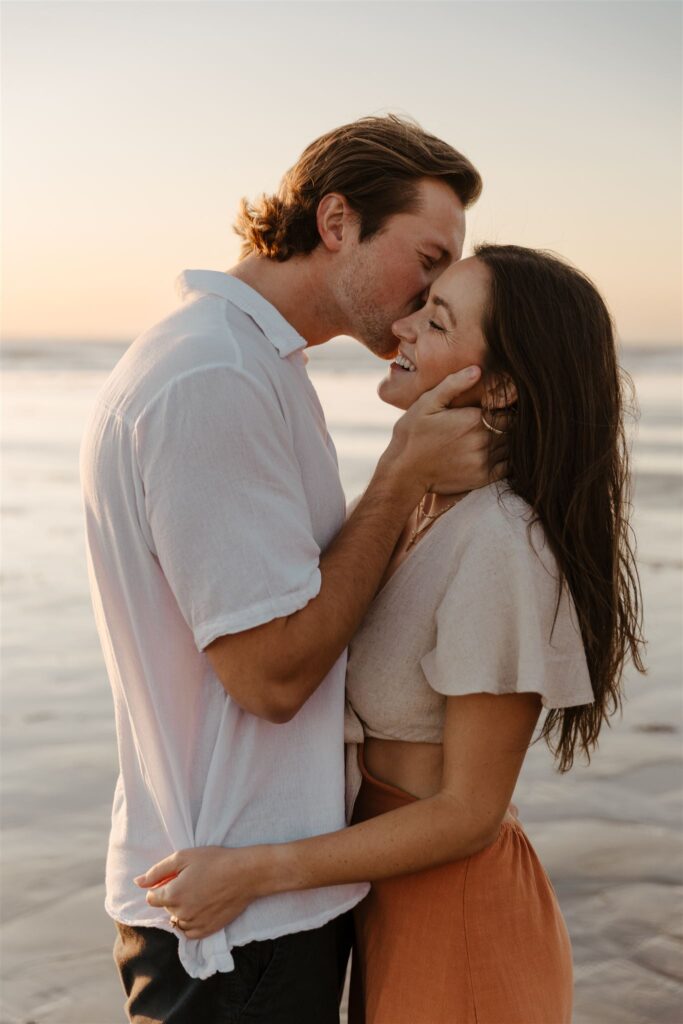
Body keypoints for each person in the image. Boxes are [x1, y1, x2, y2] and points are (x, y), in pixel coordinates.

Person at [136, 245, 645, 1024]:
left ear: (499, 387)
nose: (401, 326)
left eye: (435, 320)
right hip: (390, 909)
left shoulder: (502, 542)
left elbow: (470, 811)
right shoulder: (420, 506)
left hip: (461, 922)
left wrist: (253, 872)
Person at [80, 115, 494, 1024]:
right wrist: (400, 474)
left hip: (237, 887)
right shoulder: (214, 379)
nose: (433, 294)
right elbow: (270, 676)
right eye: (427, 258)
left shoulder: (248, 364)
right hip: (234, 913)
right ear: (337, 219)